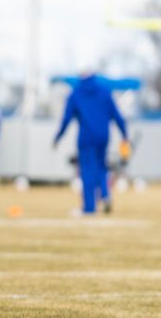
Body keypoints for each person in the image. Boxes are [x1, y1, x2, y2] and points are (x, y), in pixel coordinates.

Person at [52, 72, 130, 215]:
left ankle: (89, 207)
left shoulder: (76, 93)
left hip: (86, 137)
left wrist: (58, 137)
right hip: (103, 136)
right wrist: (125, 134)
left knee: (87, 170)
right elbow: (117, 115)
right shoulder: (105, 92)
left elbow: (66, 118)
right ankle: (105, 195)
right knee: (101, 166)